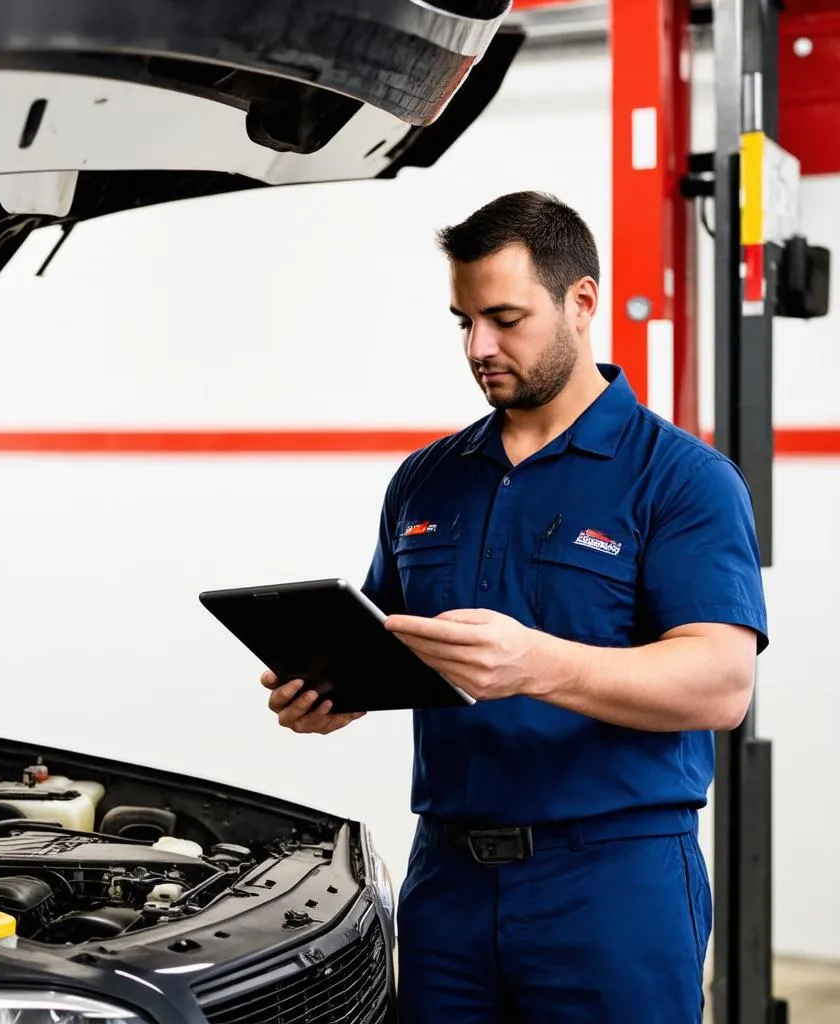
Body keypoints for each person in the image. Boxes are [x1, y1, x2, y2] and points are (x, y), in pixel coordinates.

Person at [260, 190, 768, 1023]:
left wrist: (540, 664)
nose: (478, 347)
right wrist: (332, 690)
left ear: (582, 301)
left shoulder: (680, 477)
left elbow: (721, 683)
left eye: (504, 318)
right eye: (462, 320)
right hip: (447, 880)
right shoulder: (428, 478)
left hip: (614, 880)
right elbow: (391, 644)